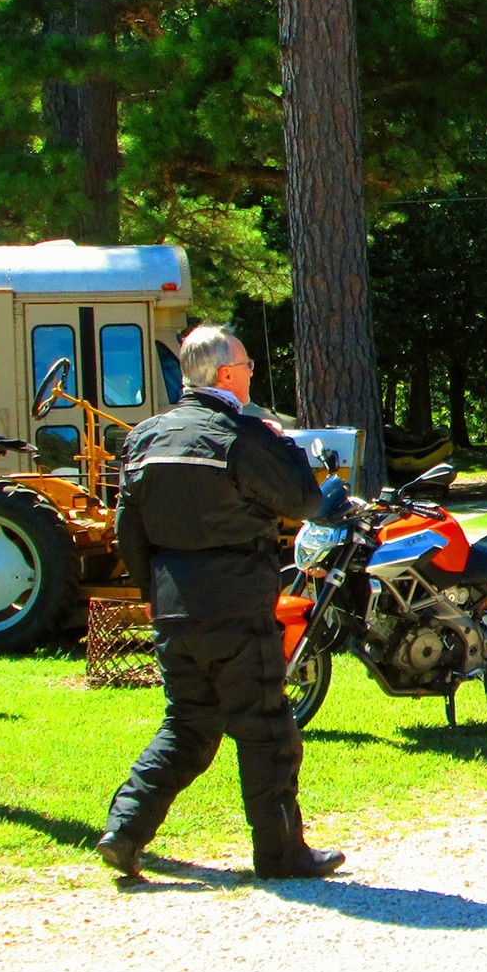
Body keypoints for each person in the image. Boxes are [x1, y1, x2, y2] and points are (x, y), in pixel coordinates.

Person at [98, 325, 344, 879]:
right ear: (228, 374)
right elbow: (303, 501)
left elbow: (127, 532)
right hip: (235, 603)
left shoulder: (145, 439)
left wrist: (156, 590)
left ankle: (125, 828)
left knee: (188, 724)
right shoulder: (243, 435)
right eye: (249, 365)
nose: (252, 374)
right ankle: (281, 854)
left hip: (173, 605)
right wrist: (283, 443)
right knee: (266, 729)